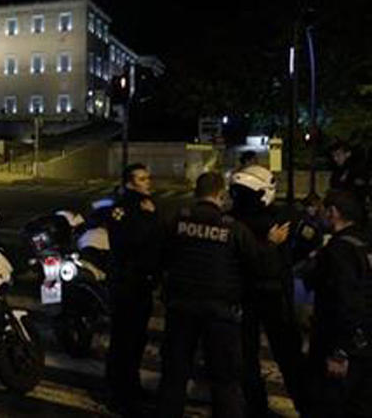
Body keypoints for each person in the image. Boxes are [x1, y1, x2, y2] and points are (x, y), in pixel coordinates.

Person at [156, 171, 282, 418]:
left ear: (196, 193)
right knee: (224, 380)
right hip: (219, 313)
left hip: (180, 308)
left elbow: (161, 256)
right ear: (221, 195)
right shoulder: (233, 228)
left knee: (174, 376)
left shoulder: (176, 220)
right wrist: (271, 244)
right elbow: (256, 265)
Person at [229, 165, 310, 417]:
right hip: (273, 295)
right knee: (287, 356)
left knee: (249, 357)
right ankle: (304, 405)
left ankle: (257, 407)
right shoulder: (284, 217)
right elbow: (311, 240)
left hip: (247, 295)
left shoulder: (233, 221)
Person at [103, 163, 164, 416]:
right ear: (130, 183)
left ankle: (132, 386)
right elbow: (134, 240)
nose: (148, 182)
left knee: (136, 340)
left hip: (141, 283)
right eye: (142, 178)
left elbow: (158, 240)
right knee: (124, 341)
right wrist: (150, 216)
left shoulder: (145, 205)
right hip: (127, 284)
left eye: (148, 177)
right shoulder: (122, 208)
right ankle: (119, 396)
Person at [306, 190, 372, 418]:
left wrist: (340, 352)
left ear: (333, 213)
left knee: (327, 406)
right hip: (365, 342)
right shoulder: (365, 243)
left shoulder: (337, 251)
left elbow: (344, 302)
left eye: (324, 210)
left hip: (341, 344)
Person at [329, 141, 369, 214]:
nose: (335, 159)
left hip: (353, 208)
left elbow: (360, 189)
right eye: (333, 156)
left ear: (348, 154)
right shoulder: (338, 170)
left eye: (338, 155)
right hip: (341, 207)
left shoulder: (357, 168)